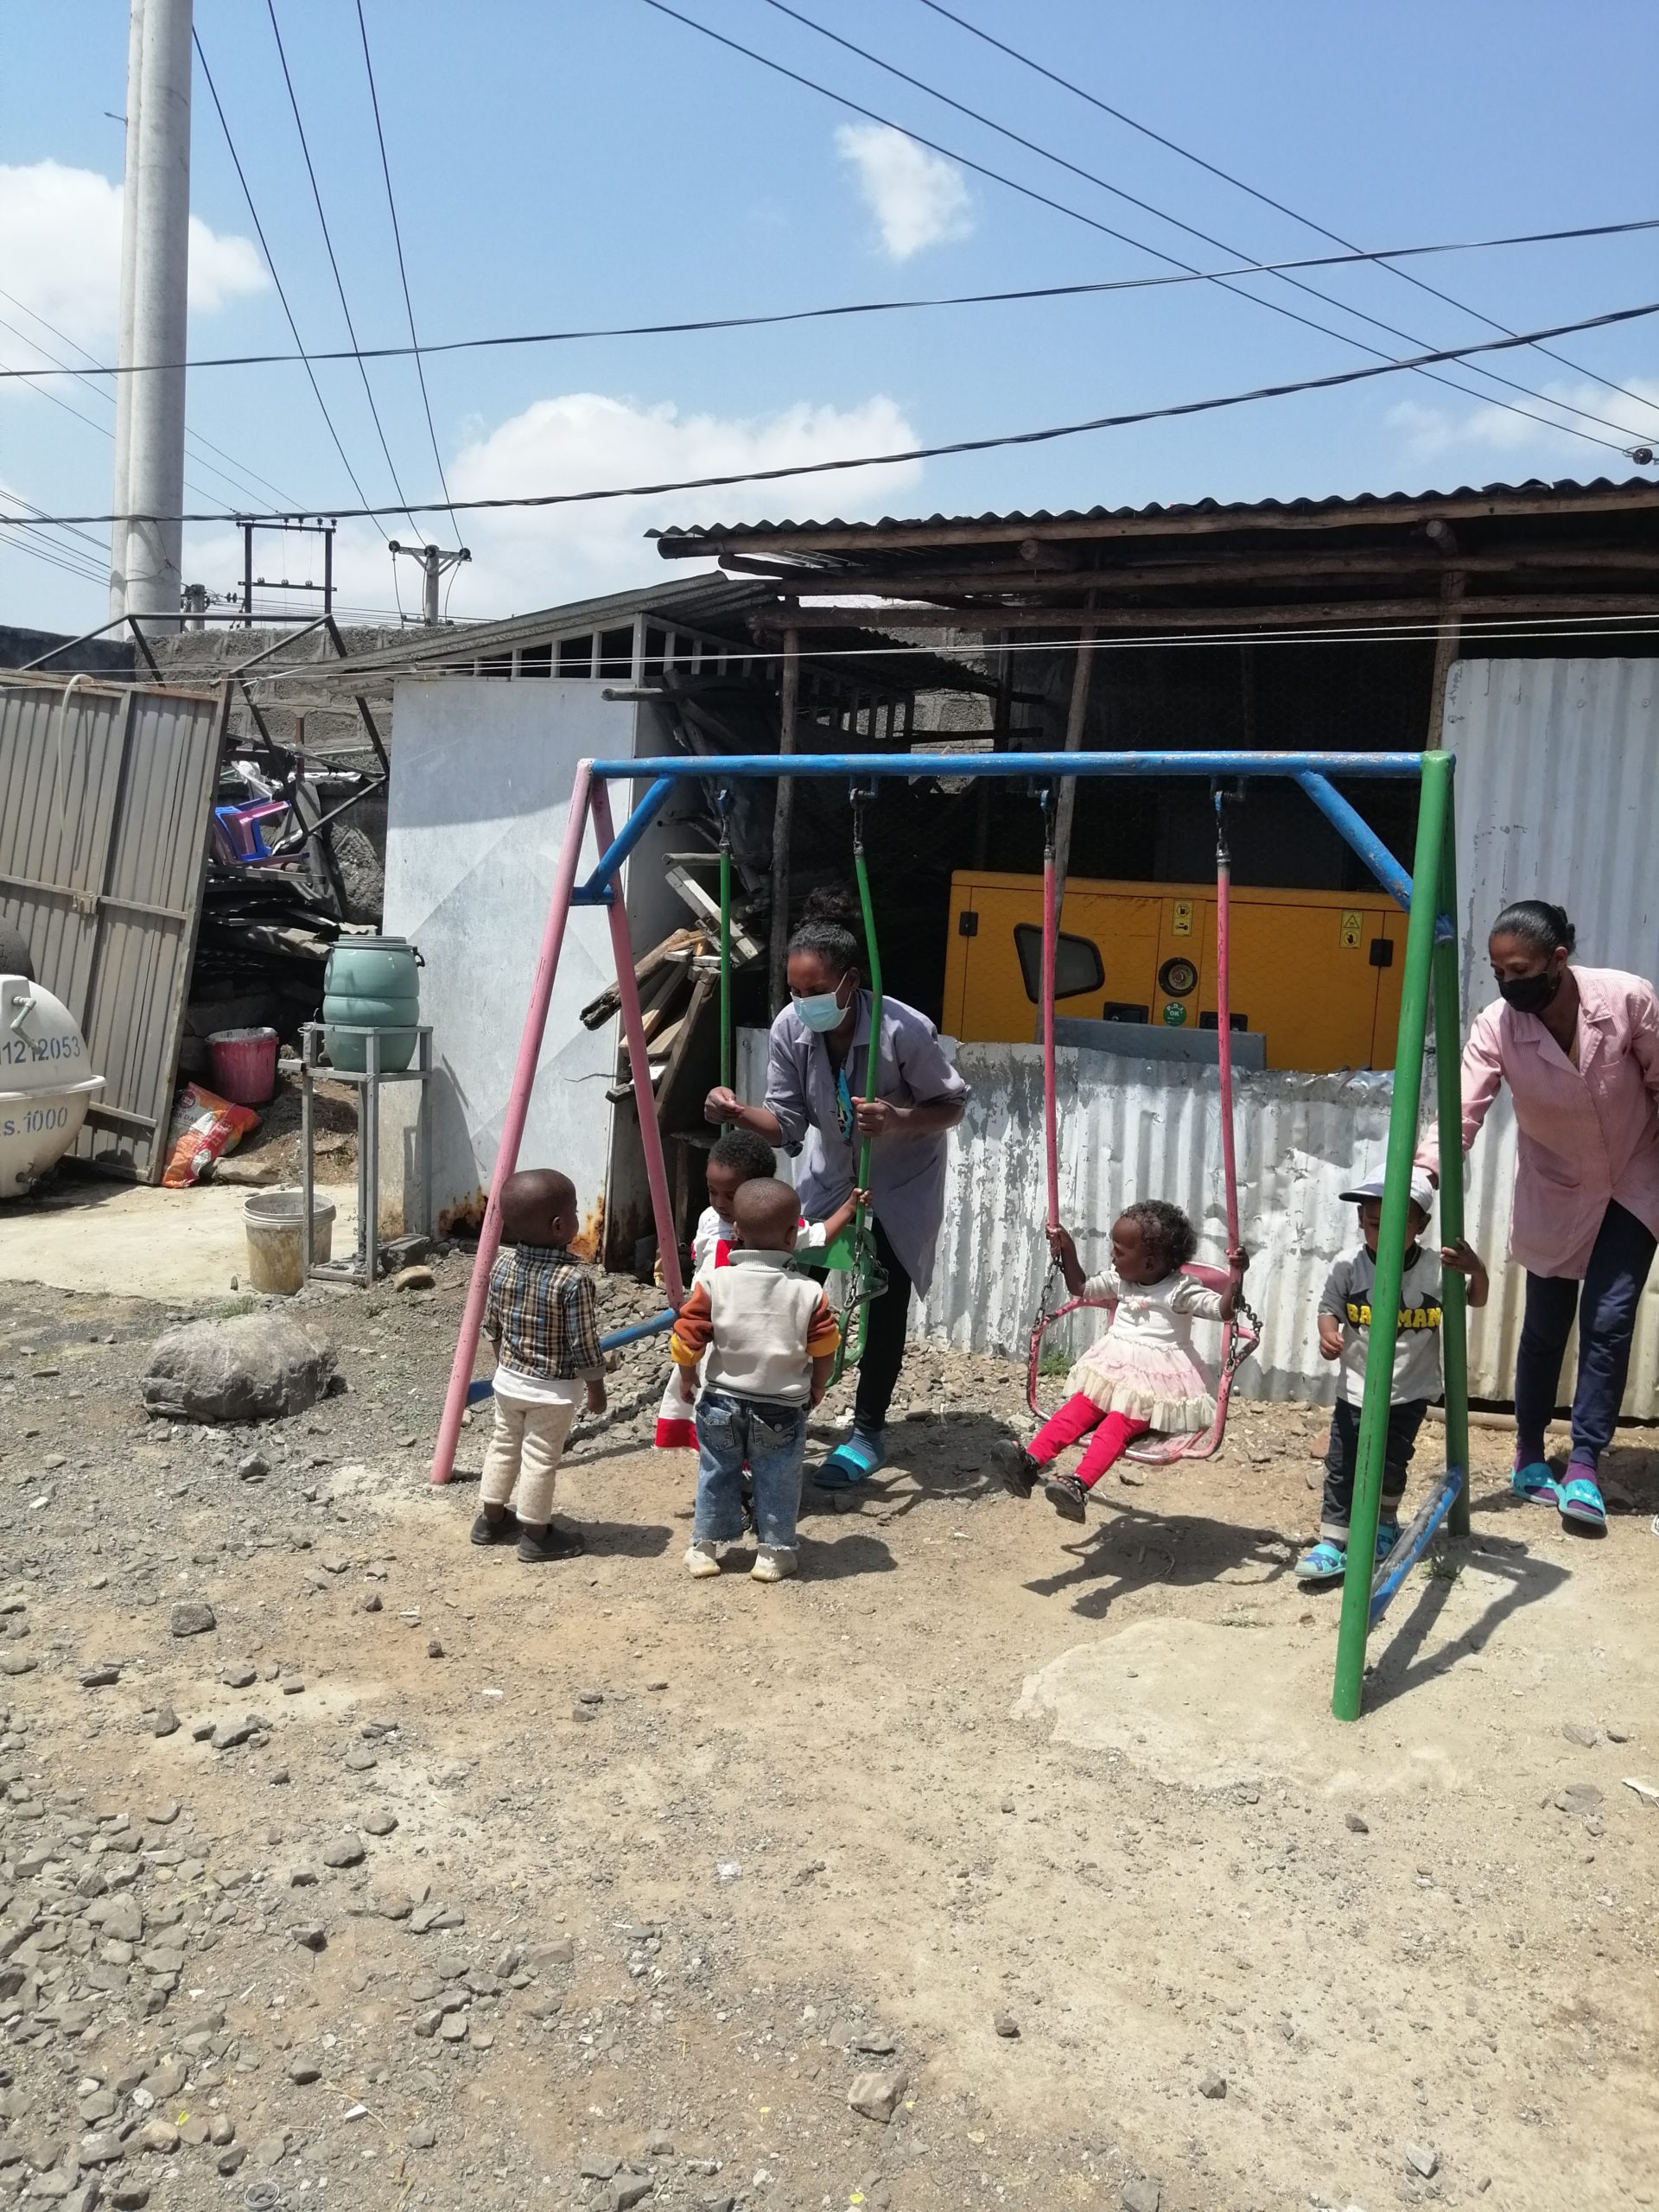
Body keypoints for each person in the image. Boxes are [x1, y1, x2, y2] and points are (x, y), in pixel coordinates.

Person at [704, 885, 969, 1486]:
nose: (803, 1005)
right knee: (787, 1286)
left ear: (851, 982)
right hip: (828, 1177)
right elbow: (787, 1125)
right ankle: (776, 1411)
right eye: (794, 993)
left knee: (884, 1297)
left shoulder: (904, 1029)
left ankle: (868, 1431)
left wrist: (899, 1119)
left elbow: (952, 1106)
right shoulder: (789, 1029)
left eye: (815, 992)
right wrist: (738, 1112)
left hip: (901, 1179)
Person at [1418, 899, 1659, 1534]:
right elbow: (1462, 1111)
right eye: (1498, 972)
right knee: (1547, 1325)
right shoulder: (1498, 1027)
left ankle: (1584, 1464)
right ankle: (1529, 1452)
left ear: (1557, 959)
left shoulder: (1627, 1000)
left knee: (1609, 1320)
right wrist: (1424, 1176)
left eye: (1519, 971)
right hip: (1557, 1185)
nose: (1507, 984)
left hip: (1634, 1177)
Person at [1299, 1170, 1489, 1587]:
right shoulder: (1348, 1265)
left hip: (1409, 1391)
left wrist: (1477, 1269)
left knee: (1391, 1463)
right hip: (1356, 1389)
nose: (1381, 1234)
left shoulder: (1435, 1269)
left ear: (1421, 1225)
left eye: (1396, 1225)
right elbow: (1329, 1307)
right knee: (1342, 1464)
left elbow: (1475, 1299)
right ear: (1360, 1221)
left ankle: (1385, 1522)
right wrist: (1328, 1333)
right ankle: (1333, 1540)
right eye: (1372, 1224)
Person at [1007, 1199, 1245, 1522]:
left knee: (1115, 1426)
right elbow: (1081, 1287)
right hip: (1113, 1375)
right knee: (1075, 1410)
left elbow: (1222, 1311)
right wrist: (1068, 1249)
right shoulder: (1120, 1280)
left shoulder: (1180, 1291)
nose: (1111, 1255)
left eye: (1119, 1251)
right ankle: (1030, 1463)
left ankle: (1078, 1484)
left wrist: (1236, 1279)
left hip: (1153, 1390)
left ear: (1149, 1263)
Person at [668, 1177, 842, 1583]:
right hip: (781, 1407)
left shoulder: (714, 1282)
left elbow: (687, 1337)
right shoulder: (809, 1292)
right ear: (792, 1235)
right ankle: (772, 1555)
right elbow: (824, 1346)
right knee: (778, 1477)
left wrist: (688, 1377)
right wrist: (819, 1384)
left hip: (720, 1403)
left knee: (716, 1471)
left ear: (737, 1231)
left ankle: (703, 1549)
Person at [654, 1126, 861, 1450]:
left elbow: (819, 1236)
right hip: (712, 1321)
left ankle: (746, 1457)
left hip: (750, 1328)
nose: (719, 1203)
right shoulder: (708, 1219)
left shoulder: (774, 1225)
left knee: (743, 1391)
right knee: (702, 1389)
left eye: (730, 1195)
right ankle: (714, 1453)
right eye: (712, 1191)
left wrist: (848, 1209)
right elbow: (701, 1263)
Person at [473, 1168, 606, 1562]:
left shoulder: (502, 1266)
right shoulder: (573, 1280)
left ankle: (491, 1520)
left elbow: (492, 1326)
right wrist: (596, 1388)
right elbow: (584, 1344)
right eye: (576, 1211)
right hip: (552, 1391)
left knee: (503, 1444)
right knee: (541, 1456)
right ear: (559, 1226)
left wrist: (506, 1365)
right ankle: (535, 1534)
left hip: (508, 1382)